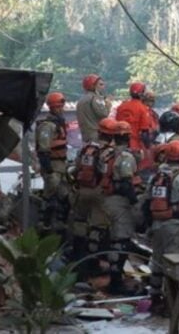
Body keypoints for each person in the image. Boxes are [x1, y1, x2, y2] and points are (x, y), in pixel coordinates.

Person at [144, 140, 179, 314]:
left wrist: (148, 226)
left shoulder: (156, 176)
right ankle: (172, 305)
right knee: (174, 265)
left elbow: (146, 203)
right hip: (174, 226)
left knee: (157, 263)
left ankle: (154, 300)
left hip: (156, 224)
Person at [69, 117, 115, 274]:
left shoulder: (86, 149)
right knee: (98, 227)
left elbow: (76, 168)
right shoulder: (108, 152)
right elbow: (107, 172)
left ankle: (76, 254)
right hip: (98, 191)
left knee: (80, 223)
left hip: (82, 190)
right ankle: (92, 263)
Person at [102, 120, 143, 295]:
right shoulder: (125, 157)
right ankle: (116, 283)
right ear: (127, 136)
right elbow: (126, 183)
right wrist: (135, 203)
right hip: (119, 203)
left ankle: (114, 279)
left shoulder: (107, 155)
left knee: (114, 241)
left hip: (106, 200)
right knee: (121, 242)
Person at [35, 92, 71, 235]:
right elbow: (43, 149)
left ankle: (61, 223)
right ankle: (44, 224)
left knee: (65, 195)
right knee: (50, 196)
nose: (61, 109)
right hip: (52, 165)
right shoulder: (47, 126)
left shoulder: (58, 124)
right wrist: (48, 169)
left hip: (60, 166)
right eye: (59, 106)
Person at [115, 81, 154, 168]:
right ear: (142, 94)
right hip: (134, 146)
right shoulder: (143, 109)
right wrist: (148, 149)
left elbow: (116, 125)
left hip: (119, 145)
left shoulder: (121, 107)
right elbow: (144, 132)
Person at [76, 74, 112, 144]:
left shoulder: (81, 100)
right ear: (93, 86)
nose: (103, 87)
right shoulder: (95, 98)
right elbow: (104, 114)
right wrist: (108, 105)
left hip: (85, 135)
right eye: (100, 84)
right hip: (96, 136)